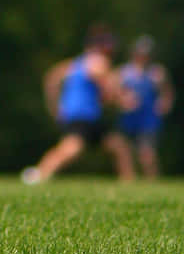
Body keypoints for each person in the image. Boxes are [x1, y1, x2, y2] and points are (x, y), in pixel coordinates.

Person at [21, 24, 122, 183]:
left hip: (81, 114)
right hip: (84, 114)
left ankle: (129, 183)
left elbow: (52, 78)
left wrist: (55, 106)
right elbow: (108, 91)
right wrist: (122, 99)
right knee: (72, 149)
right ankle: (39, 174)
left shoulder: (74, 64)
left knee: (117, 146)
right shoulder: (99, 62)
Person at [112, 36, 175, 180]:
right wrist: (123, 100)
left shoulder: (157, 72)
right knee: (125, 151)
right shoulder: (124, 72)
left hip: (148, 118)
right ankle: (128, 180)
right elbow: (113, 92)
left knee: (147, 152)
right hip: (128, 117)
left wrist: (164, 103)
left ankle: (152, 181)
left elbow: (167, 93)